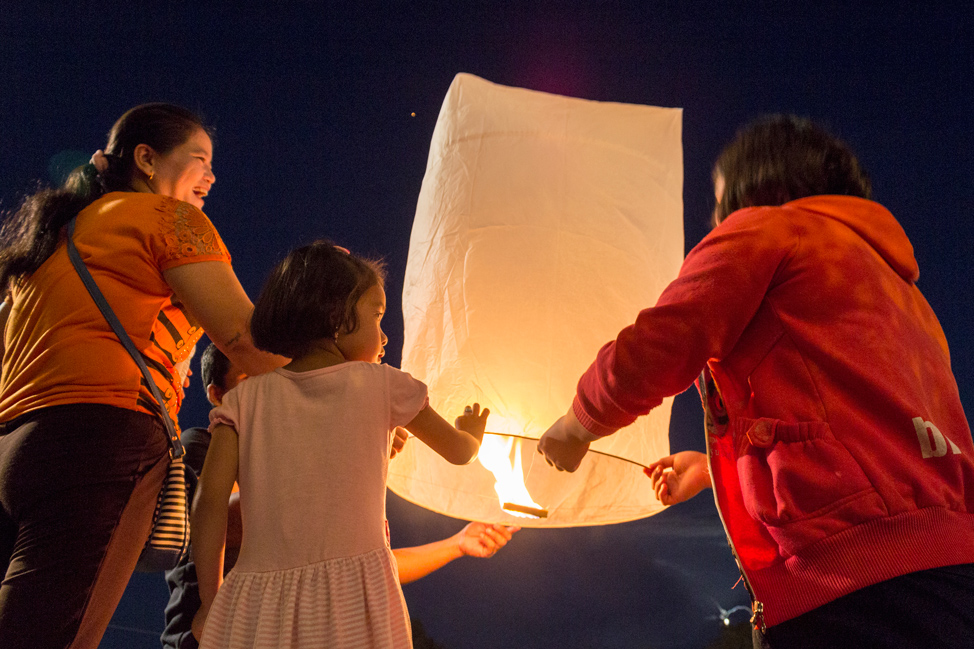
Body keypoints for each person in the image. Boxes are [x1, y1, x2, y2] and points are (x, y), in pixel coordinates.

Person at [538, 115, 974, 648]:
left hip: (849, 583)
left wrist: (577, 422)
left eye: (721, 199)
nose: (717, 216)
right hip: (952, 571)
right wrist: (713, 471)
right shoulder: (901, 291)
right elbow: (861, 426)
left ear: (756, 187)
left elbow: (666, 337)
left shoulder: (769, 230)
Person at [0, 103, 286, 649]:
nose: (212, 175)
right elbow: (243, 338)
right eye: (199, 159)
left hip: (14, 451)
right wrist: (337, 381)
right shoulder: (169, 221)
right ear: (147, 160)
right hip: (102, 444)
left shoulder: (50, 242)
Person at [190, 242, 488, 648]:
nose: (384, 336)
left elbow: (209, 502)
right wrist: (470, 430)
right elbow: (459, 452)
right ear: (337, 316)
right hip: (356, 599)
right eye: (377, 315)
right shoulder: (384, 385)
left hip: (257, 603)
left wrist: (210, 601)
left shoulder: (242, 401)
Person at [162, 344, 517, 649]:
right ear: (216, 395)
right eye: (247, 378)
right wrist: (343, 453)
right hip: (207, 633)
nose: (264, 386)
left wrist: (456, 544)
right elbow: (216, 517)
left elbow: (360, 566)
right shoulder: (203, 445)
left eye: (271, 374)